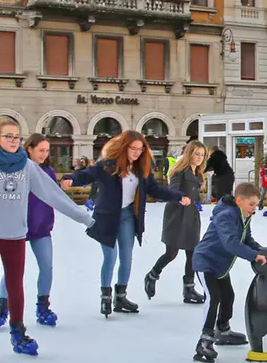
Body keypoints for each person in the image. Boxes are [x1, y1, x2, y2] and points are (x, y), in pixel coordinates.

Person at [0, 117, 94, 363]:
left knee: (15, 285)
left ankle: (17, 332)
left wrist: (85, 218)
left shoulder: (27, 167)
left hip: (15, 234)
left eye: (16, 137)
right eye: (8, 136)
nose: (13, 141)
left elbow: (53, 194)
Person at [61, 131, 191, 317]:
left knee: (126, 257)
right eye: (133, 148)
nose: (137, 153)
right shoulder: (108, 165)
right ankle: (106, 296)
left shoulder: (141, 169)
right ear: (124, 147)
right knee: (110, 257)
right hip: (106, 217)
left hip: (128, 216)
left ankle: (120, 296)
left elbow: (155, 189)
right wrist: (70, 178)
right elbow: (87, 175)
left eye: (140, 149)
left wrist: (178, 197)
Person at [0, 134, 68, 329]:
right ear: (29, 149)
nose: (44, 154)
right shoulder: (17, 170)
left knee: (47, 267)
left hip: (42, 228)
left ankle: (43, 307)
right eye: (41, 150)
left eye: (47, 150)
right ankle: (3, 307)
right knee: (13, 270)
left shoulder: (48, 172)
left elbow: (54, 196)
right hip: (18, 228)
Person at [191, 182, 267, 363]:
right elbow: (231, 243)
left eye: (256, 205)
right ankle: (205, 340)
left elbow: (246, 239)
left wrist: (262, 251)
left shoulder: (243, 215)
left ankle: (222, 331)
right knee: (214, 297)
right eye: (251, 205)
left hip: (220, 266)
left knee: (228, 296)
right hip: (206, 263)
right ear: (239, 201)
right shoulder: (226, 216)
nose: (254, 209)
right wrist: (253, 256)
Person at [143, 140, 207, 304]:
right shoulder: (180, 171)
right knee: (171, 252)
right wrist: (181, 197)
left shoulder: (198, 173)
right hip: (177, 214)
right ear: (189, 154)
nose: (199, 157)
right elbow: (173, 189)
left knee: (192, 252)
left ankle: (189, 289)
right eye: (196, 154)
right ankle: (152, 275)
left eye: (202, 155)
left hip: (191, 214)